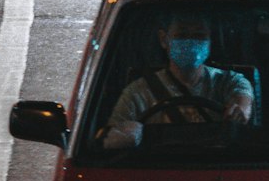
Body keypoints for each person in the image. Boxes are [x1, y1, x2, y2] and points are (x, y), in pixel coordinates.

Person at [103, 12, 253, 150]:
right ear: (164, 39)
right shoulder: (138, 92)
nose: (191, 42)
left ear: (210, 40)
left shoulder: (227, 81)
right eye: (182, 35)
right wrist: (125, 136)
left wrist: (240, 109)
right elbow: (112, 136)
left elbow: (242, 97)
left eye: (199, 35)